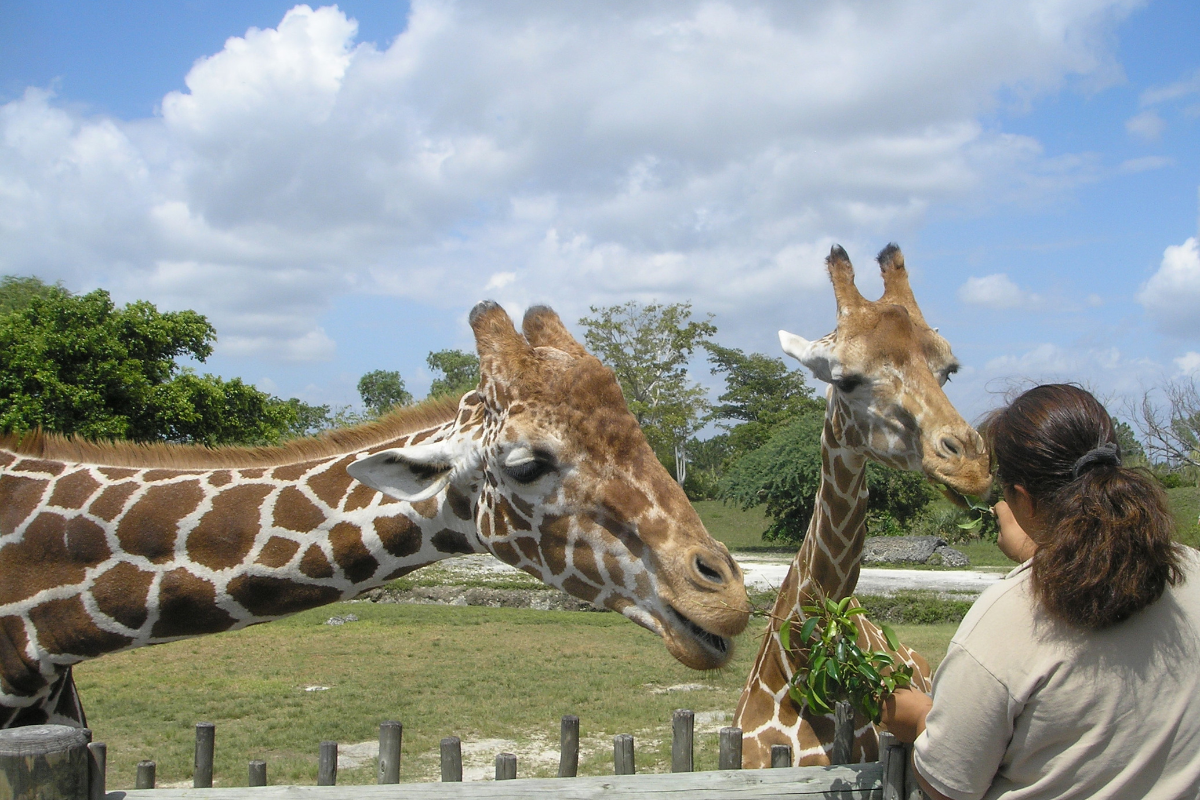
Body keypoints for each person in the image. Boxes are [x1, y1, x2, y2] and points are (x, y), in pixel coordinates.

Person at [880, 384, 1200, 800]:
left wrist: (921, 718)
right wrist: (1036, 555)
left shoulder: (1003, 621)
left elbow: (946, 787)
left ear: (1023, 500)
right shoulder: (1189, 568)